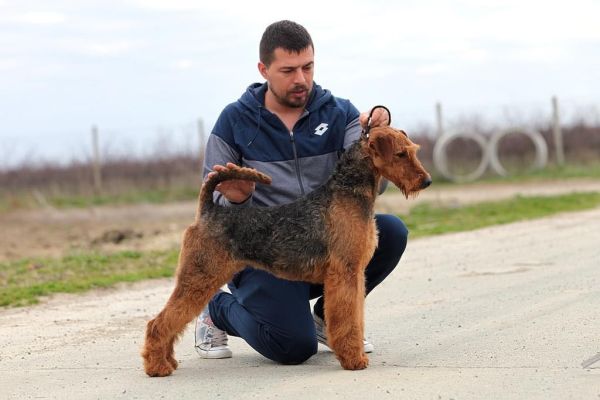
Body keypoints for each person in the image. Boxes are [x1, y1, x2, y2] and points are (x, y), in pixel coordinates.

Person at [194, 20, 408, 365]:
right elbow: (212, 211)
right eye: (288, 70)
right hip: (261, 253)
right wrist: (237, 197)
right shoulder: (234, 120)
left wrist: (378, 147)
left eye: (308, 67)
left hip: (320, 248)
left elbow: (375, 187)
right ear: (264, 69)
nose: (301, 80)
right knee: (292, 347)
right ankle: (217, 310)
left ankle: (327, 317)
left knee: (392, 230)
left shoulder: (341, 113)